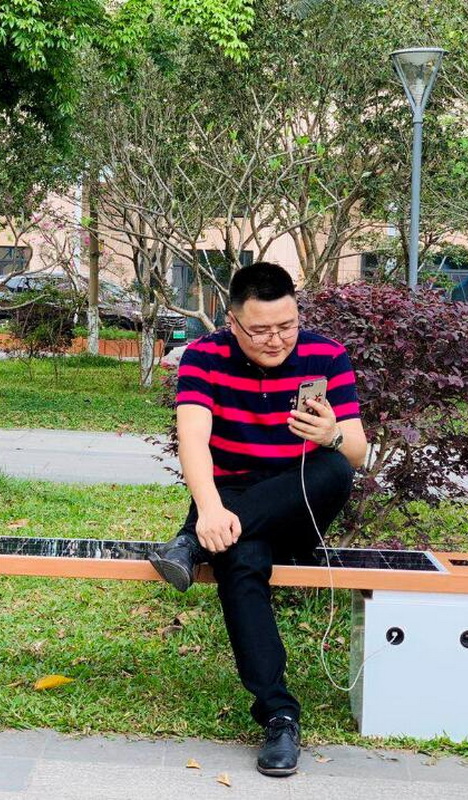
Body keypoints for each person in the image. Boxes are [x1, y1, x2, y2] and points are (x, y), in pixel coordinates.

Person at [149, 262, 367, 777]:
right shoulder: (204, 356)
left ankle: (189, 544)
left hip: (298, 503)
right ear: (232, 322)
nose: (277, 340)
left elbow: (356, 454)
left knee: (334, 468)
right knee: (240, 559)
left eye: (287, 326)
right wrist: (209, 509)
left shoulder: (326, 355)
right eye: (261, 330)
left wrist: (331, 434)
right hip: (227, 504)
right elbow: (193, 440)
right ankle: (279, 716)